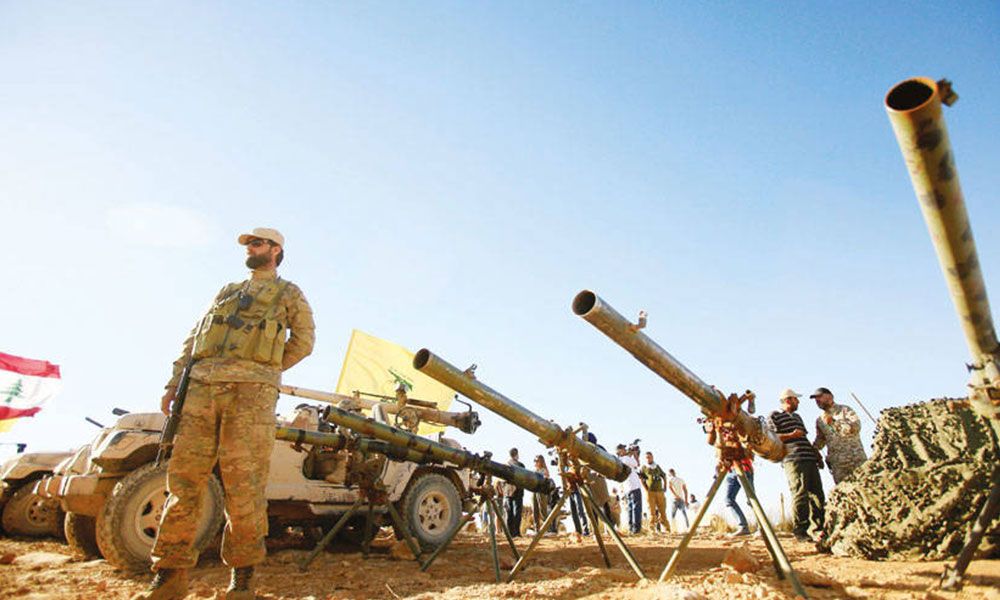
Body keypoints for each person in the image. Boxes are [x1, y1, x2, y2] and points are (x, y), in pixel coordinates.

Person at [136, 228, 315, 600]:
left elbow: (304, 342)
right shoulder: (226, 292)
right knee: (183, 483)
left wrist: (264, 371)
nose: (250, 248)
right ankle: (169, 575)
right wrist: (173, 384)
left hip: (250, 398)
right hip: (200, 391)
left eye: (257, 243)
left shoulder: (289, 293)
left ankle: (242, 580)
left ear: (276, 250)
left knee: (244, 487)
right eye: (248, 244)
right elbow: (194, 339)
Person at [768, 388, 825, 542]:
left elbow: (804, 438)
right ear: (788, 400)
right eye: (795, 399)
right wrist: (791, 435)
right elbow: (772, 437)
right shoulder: (774, 415)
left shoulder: (797, 417)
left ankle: (818, 529)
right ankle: (801, 531)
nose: (798, 402)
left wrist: (817, 456)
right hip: (794, 458)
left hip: (809, 458)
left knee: (817, 495)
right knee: (800, 493)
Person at [706, 419, 754, 536]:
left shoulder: (735, 427)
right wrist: (713, 431)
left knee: (751, 499)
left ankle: (762, 528)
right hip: (730, 469)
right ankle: (743, 526)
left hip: (742, 467)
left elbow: (737, 446)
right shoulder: (720, 432)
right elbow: (713, 443)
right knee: (729, 499)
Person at [810, 387, 867, 484]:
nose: (817, 400)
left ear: (830, 396)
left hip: (855, 459)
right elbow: (821, 440)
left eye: (820, 397)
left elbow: (855, 427)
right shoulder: (820, 420)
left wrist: (835, 423)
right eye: (815, 399)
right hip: (838, 466)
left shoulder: (845, 410)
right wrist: (813, 450)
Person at [639, 452, 669, 533]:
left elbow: (664, 476)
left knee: (662, 511)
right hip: (650, 492)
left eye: (649, 457)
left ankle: (667, 529)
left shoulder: (657, 466)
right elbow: (641, 478)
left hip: (659, 491)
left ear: (652, 457)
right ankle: (652, 529)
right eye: (647, 457)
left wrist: (665, 486)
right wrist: (646, 489)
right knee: (652, 512)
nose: (648, 458)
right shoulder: (644, 467)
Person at [617, 444, 643, 534]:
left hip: (627, 487)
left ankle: (631, 528)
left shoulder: (620, 460)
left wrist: (630, 454)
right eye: (624, 449)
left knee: (630, 508)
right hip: (634, 486)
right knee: (637, 508)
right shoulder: (626, 459)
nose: (626, 450)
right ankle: (636, 529)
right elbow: (637, 464)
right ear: (620, 451)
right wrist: (635, 454)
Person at [531, 455, 555, 534]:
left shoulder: (544, 470)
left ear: (541, 461)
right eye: (535, 461)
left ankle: (547, 528)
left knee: (543, 510)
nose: (535, 462)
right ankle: (536, 529)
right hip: (534, 490)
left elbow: (546, 479)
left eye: (537, 461)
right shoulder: (534, 470)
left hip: (541, 491)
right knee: (534, 510)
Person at [505, 448, 525, 538]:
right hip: (518, 490)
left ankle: (509, 533)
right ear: (517, 454)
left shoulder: (506, 465)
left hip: (508, 491)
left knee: (509, 512)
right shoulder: (520, 465)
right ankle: (516, 532)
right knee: (517, 512)